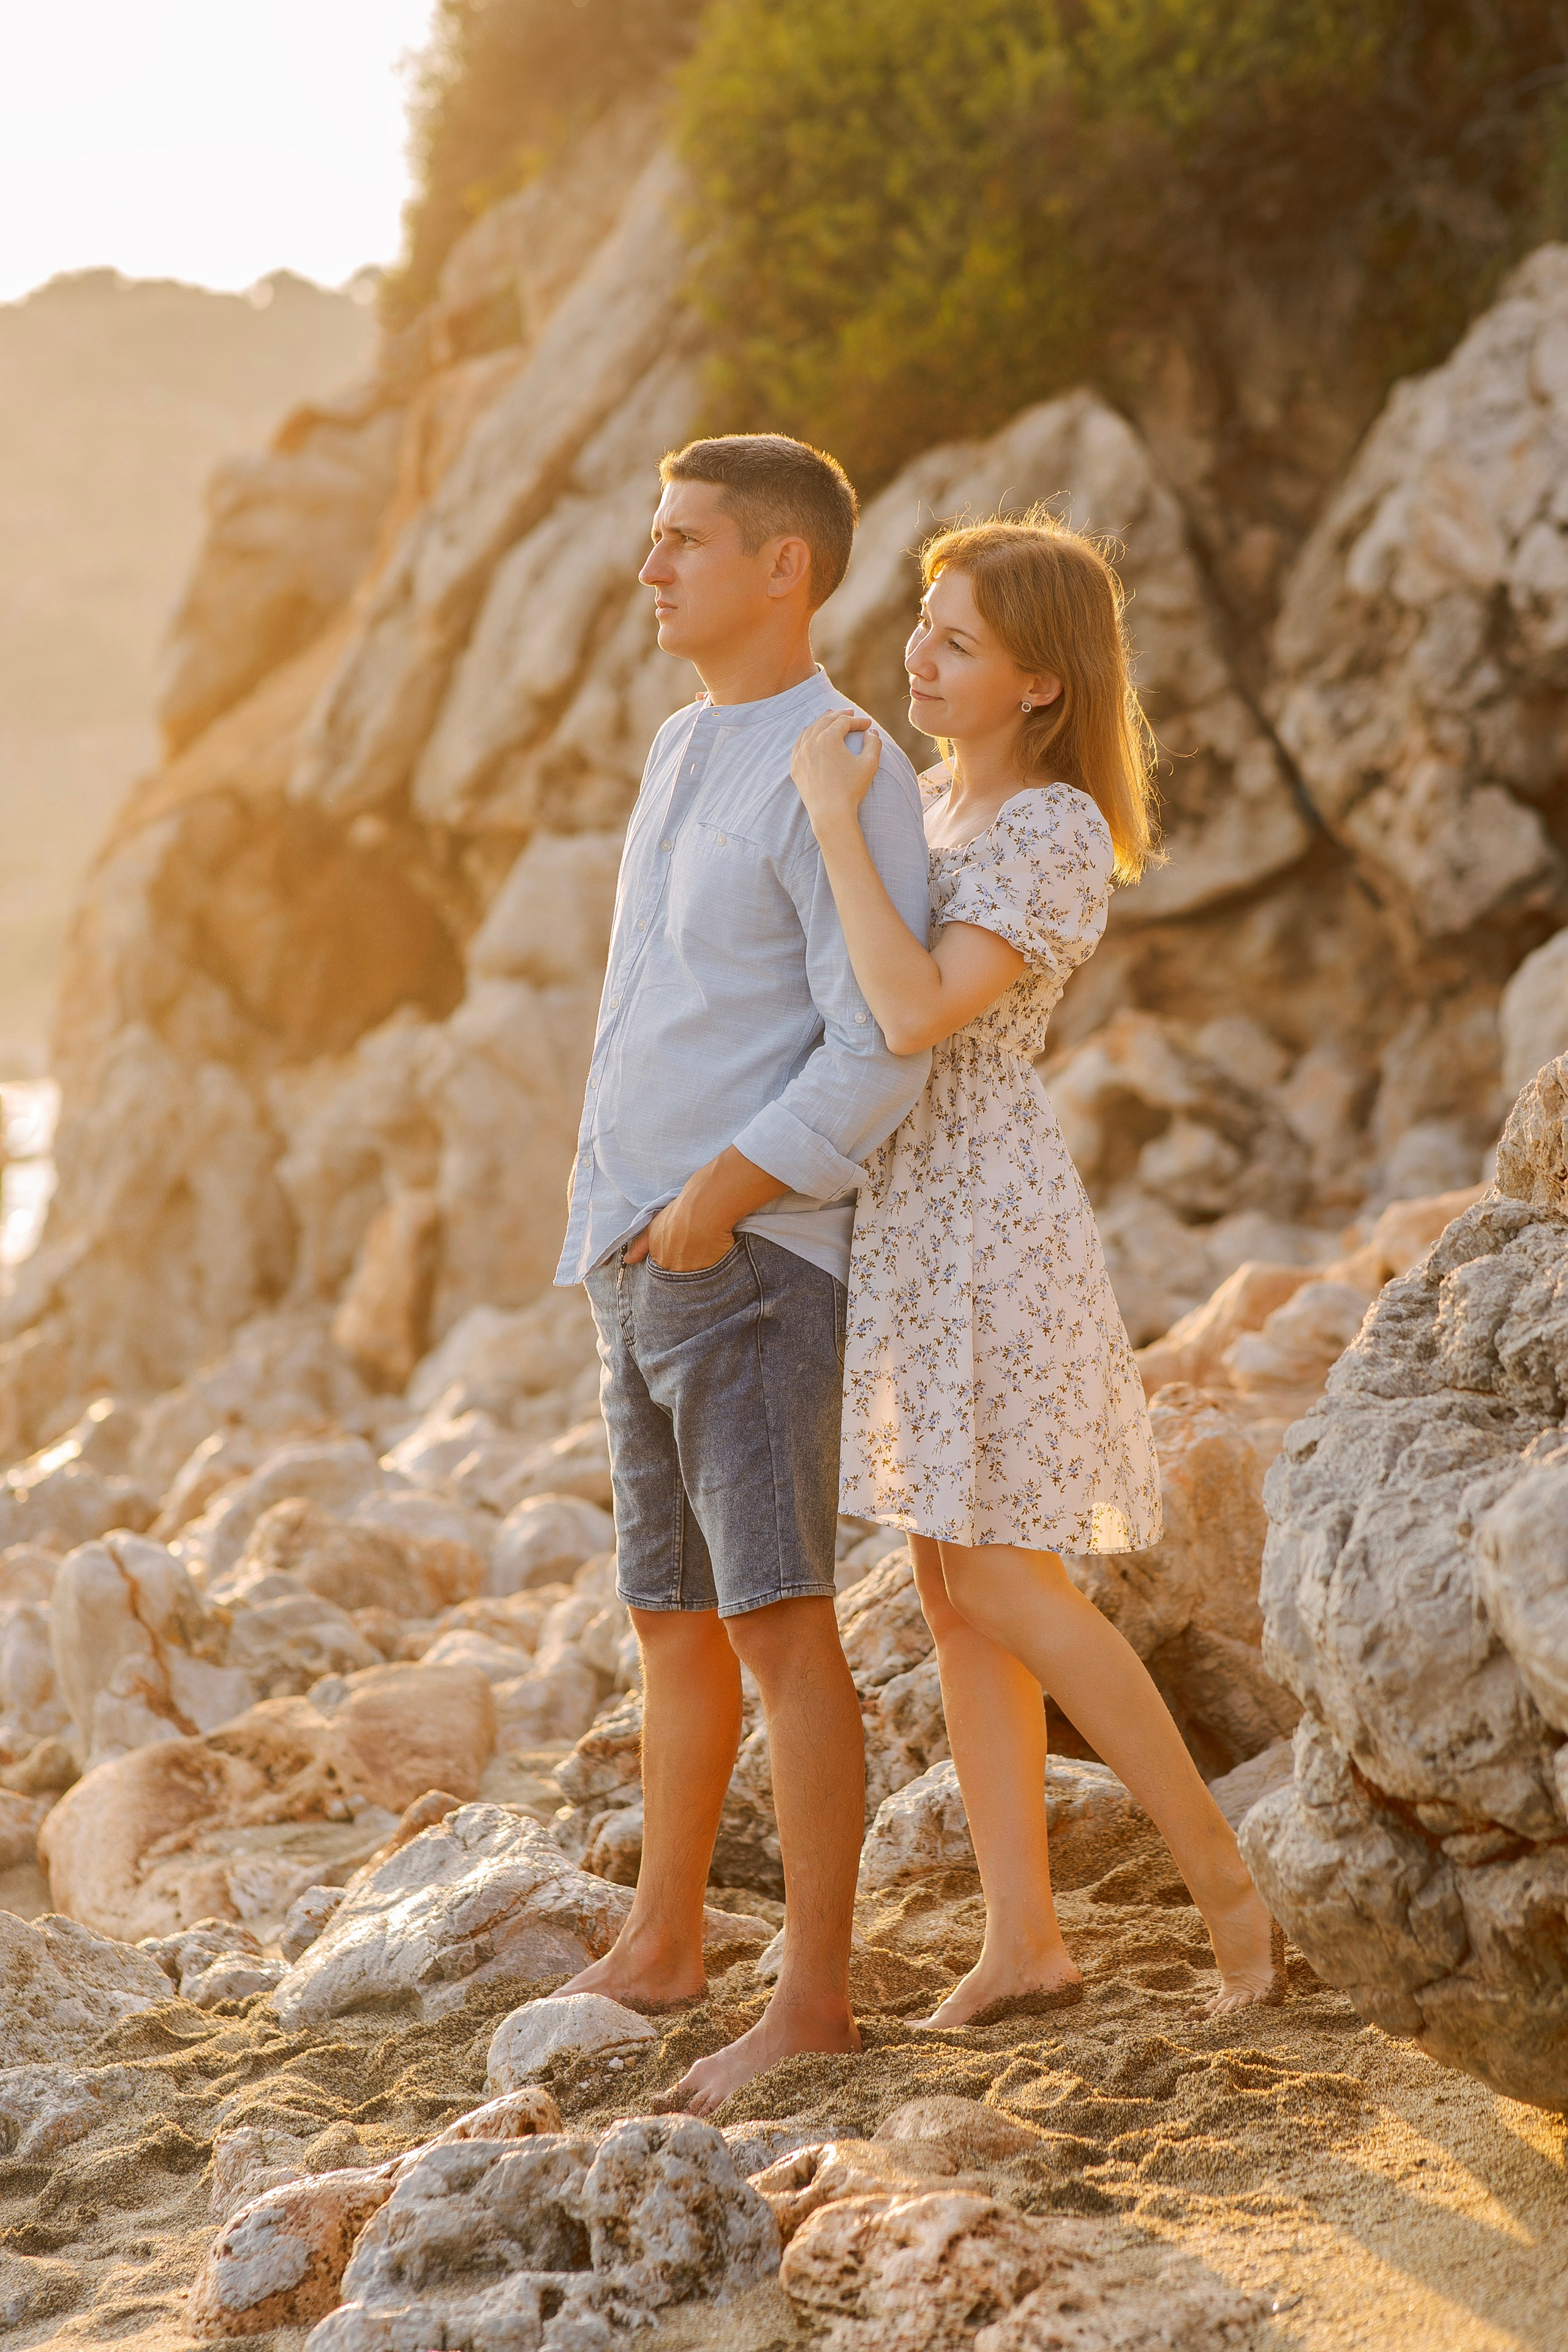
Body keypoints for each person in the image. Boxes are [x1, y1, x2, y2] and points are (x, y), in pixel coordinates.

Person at [788, 511, 1285, 2023]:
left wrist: (827, 825)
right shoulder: (930, 798)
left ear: (1041, 687)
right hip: (907, 1223)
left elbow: (918, 1009)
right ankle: (1025, 1942)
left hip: (987, 1222)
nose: (915, 655)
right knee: (951, 1590)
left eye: (955, 641)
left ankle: (1233, 1896)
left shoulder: (1051, 830)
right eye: (921, 625)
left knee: (1011, 1578)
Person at [552, 432, 932, 2111]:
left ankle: (818, 2001)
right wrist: (630, 1221)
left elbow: (876, 1052)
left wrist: (718, 1196)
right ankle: (663, 1943)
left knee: (781, 1631)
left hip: (752, 1260)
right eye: (653, 541)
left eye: (686, 542)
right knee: (669, 1621)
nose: (653, 570)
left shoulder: (843, 762)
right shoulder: (679, 743)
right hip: (631, 1253)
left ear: (785, 566)